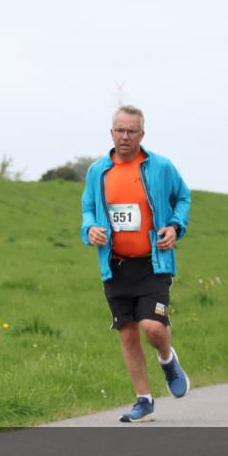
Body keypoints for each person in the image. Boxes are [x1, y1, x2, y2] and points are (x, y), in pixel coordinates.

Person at [81, 105, 192, 423]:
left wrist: (174, 226)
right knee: (128, 333)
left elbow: (183, 197)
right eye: (119, 130)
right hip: (115, 265)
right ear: (111, 132)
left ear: (142, 134)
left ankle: (167, 358)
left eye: (131, 131)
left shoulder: (160, 167)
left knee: (153, 327)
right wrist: (90, 229)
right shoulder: (98, 171)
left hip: (153, 262)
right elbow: (88, 208)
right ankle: (144, 400)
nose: (125, 136)